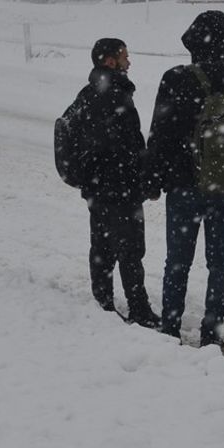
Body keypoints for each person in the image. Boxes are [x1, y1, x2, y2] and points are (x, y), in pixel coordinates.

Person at [144, 11, 224, 348]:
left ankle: (170, 328)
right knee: (220, 263)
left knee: (178, 261)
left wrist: (153, 181)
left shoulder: (175, 79)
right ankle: (211, 332)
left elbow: (160, 135)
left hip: (183, 186)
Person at [68, 38, 161, 330]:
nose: (129, 62)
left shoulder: (87, 93)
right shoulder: (116, 96)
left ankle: (103, 303)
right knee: (131, 250)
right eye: (124, 57)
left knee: (102, 247)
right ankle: (139, 309)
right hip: (120, 187)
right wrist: (144, 179)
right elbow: (131, 146)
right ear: (110, 61)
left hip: (97, 188)